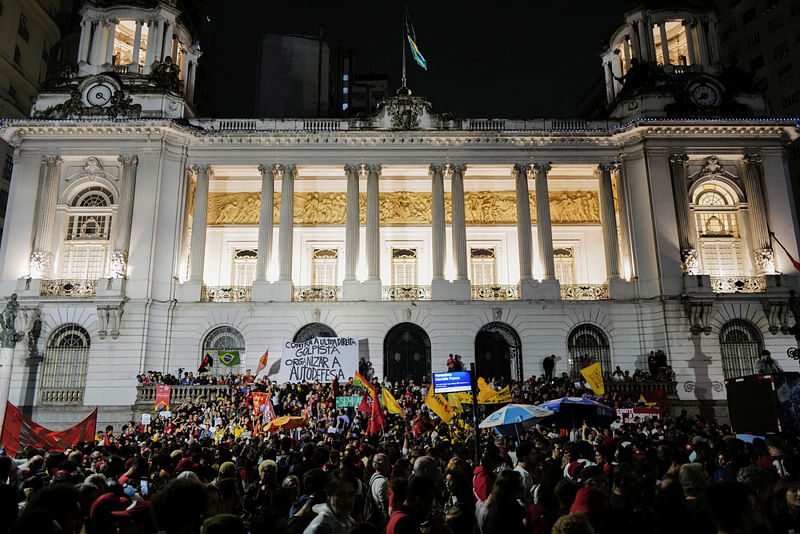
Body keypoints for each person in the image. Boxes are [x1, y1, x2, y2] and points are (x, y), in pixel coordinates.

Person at [303, 469, 358, 534]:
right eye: (341, 494)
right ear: (329, 494)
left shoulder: (346, 519)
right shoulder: (323, 527)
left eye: (351, 494)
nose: (347, 499)